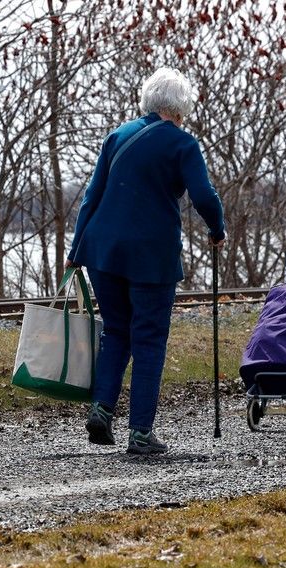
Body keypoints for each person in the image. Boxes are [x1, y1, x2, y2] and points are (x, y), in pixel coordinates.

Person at [66, 67, 225, 455]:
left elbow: (92, 195)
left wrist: (76, 251)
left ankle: (102, 409)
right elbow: (203, 196)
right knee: (149, 338)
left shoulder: (117, 136)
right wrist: (216, 229)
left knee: (116, 331)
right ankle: (140, 433)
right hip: (151, 256)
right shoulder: (183, 145)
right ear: (180, 107)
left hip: (104, 251)